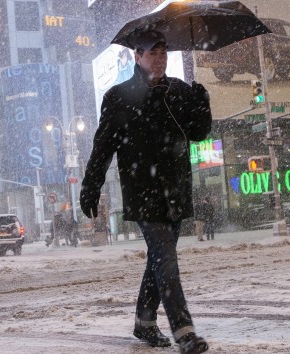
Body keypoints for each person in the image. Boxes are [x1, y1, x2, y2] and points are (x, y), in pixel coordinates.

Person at [79, 30, 211, 354]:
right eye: (153, 53)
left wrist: (202, 103)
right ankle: (184, 332)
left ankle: (145, 321)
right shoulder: (118, 97)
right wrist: (90, 186)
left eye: (164, 52)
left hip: (176, 190)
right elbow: (102, 148)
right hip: (144, 192)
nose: (160, 58)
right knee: (166, 260)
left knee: (158, 258)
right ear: (137, 56)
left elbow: (199, 133)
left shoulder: (179, 90)